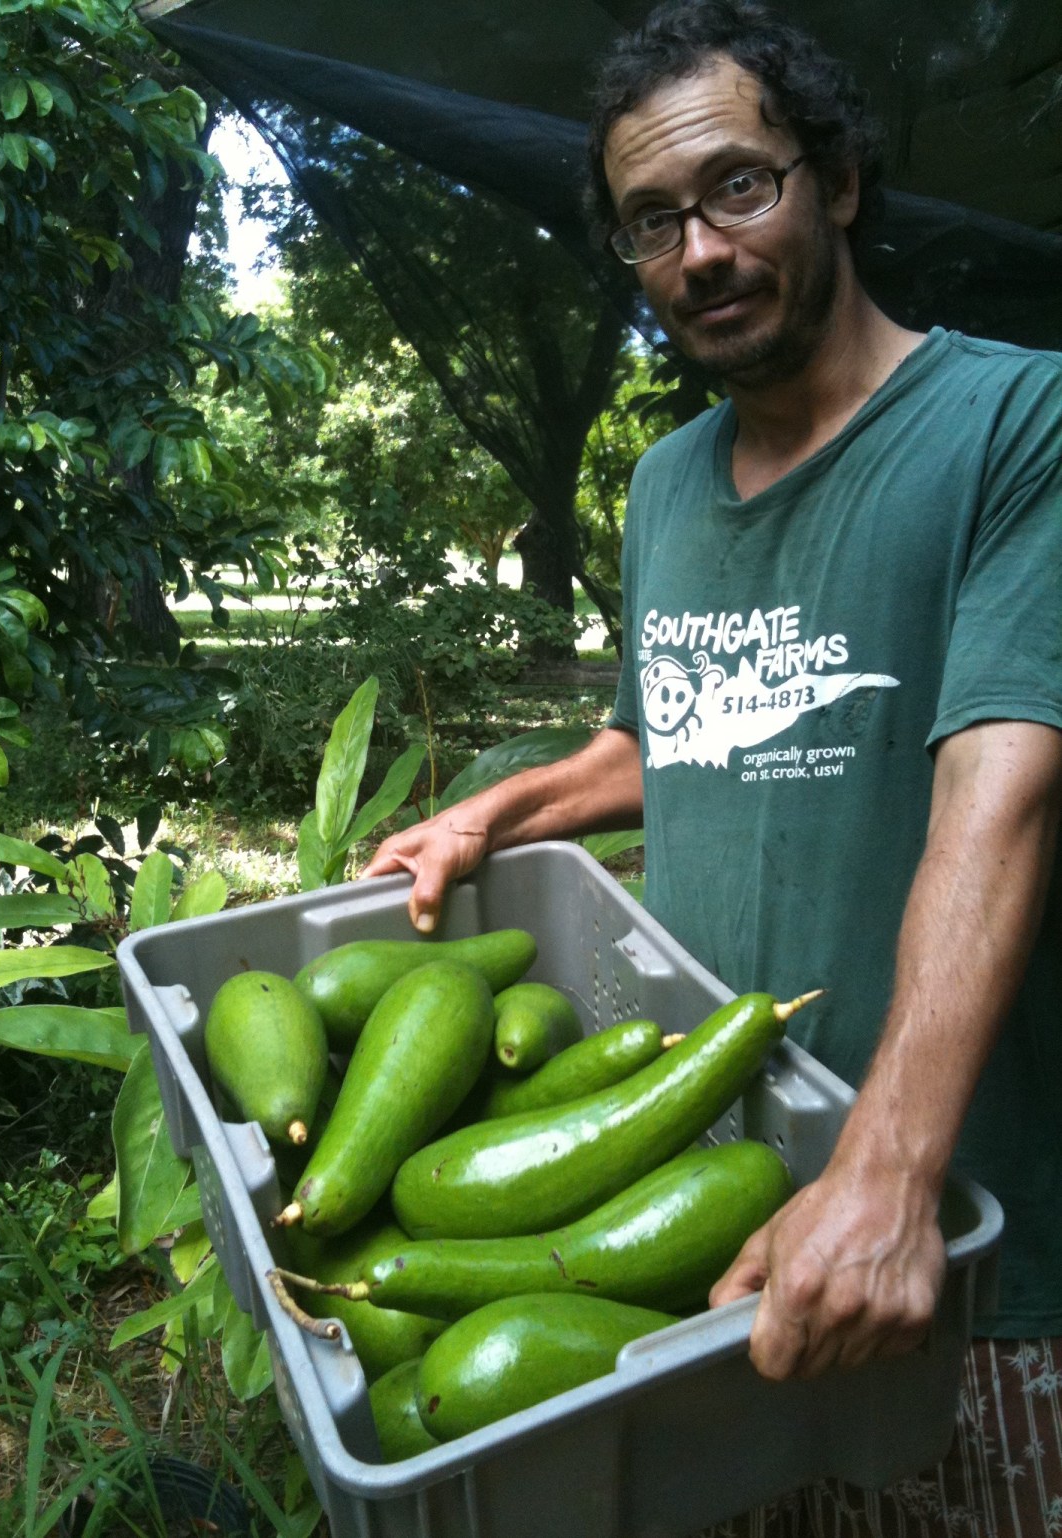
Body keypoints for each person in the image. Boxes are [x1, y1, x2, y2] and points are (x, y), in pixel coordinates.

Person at [365, 2, 1062, 1530]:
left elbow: (1004, 789)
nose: (700, 251)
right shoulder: (669, 482)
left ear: (837, 180)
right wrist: (491, 811)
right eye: (651, 222)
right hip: (704, 1197)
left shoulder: (1021, 420)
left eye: (738, 186)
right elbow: (666, 729)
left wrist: (885, 1174)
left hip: (944, 1230)